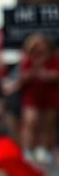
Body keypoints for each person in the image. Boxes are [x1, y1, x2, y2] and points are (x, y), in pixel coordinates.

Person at [19, 34, 59, 163]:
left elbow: (55, 76)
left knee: (48, 124)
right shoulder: (28, 61)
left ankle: (47, 149)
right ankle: (28, 150)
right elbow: (22, 78)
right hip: (32, 96)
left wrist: (45, 74)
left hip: (50, 96)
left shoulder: (55, 60)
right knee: (30, 121)